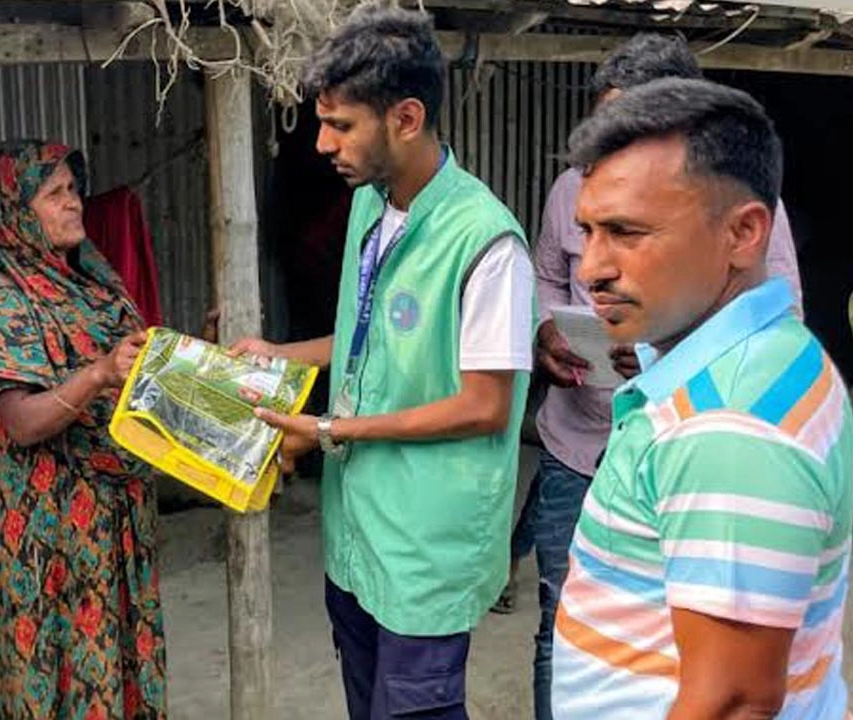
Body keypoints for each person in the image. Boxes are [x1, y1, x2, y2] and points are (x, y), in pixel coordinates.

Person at [237, 7, 535, 718]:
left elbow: (484, 405)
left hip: (427, 552)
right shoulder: (372, 208)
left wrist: (332, 430)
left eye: (341, 125)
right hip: (359, 538)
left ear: (405, 118)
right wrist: (279, 354)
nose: (321, 143)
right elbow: (371, 342)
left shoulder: (487, 243)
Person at [498, 32, 807, 719]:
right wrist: (546, 331)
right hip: (578, 450)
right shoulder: (569, 191)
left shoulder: (744, 209)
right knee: (565, 628)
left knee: (679, 642)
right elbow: (548, 278)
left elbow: (781, 320)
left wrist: (673, 355)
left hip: (691, 462)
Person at [551, 77, 853, 718]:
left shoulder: (727, 427)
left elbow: (733, 702)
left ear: (744, 234)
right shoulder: (774, 351)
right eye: (588, 231)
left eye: (627, 233)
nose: (591, 268)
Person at [0, 142, 165, 719]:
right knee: (59, 658)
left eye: (73, 189)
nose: (73, 203)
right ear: (15, 211)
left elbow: (139, 371)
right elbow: (22, 424)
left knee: (118, 652)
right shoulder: (4, 308)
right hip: (52, 534)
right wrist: (98, 373)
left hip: (117, 516)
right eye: (54, 194)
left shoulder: (96, 285)